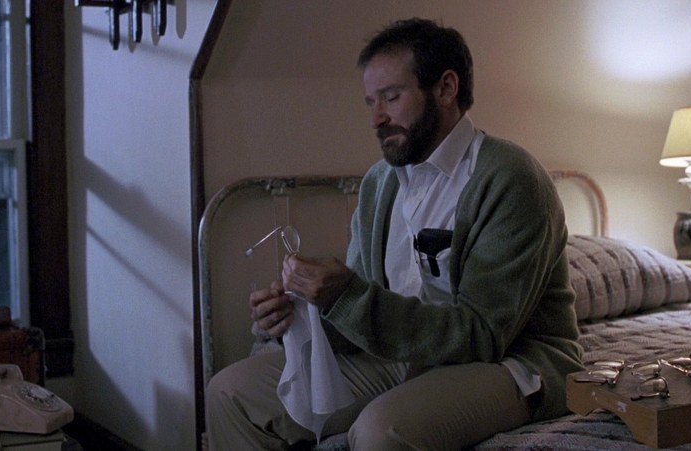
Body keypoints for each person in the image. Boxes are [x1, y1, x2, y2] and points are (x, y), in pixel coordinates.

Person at [207, 17, 583, 450]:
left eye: (391, 96)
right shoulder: (378, 183)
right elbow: (365, 317)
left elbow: (483, 335)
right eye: (371, 101)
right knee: (229, 394)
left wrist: (348, 297)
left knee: (381, 430)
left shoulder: (511, 178)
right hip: (400, 354)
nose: (376, 118)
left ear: (446, 88)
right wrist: (302, 315)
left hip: (510, 361)